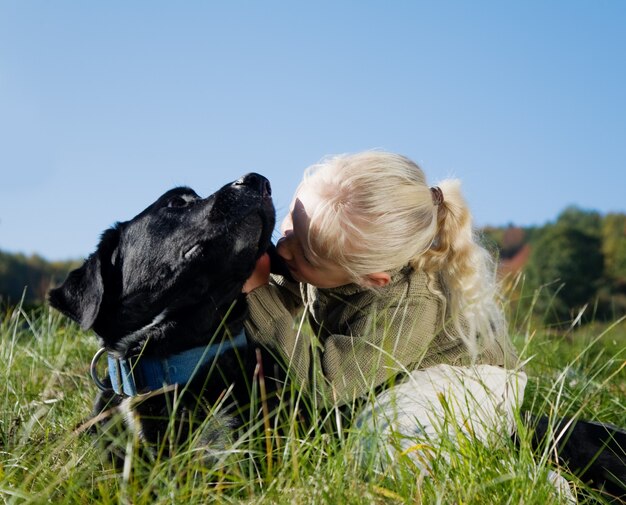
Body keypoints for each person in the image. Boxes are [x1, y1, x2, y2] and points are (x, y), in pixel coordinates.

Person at [242, 150, 526, 473]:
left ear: (370, 279)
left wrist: (258, 295)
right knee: (345, 427)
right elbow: (290, 287)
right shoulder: (331, 251)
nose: (283, 248)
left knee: (381, 449)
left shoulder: (408, 302)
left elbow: (325, 385)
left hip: (471, 384)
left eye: (305, 254)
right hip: (399, 369)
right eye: (292, 223)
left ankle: (516, 474)